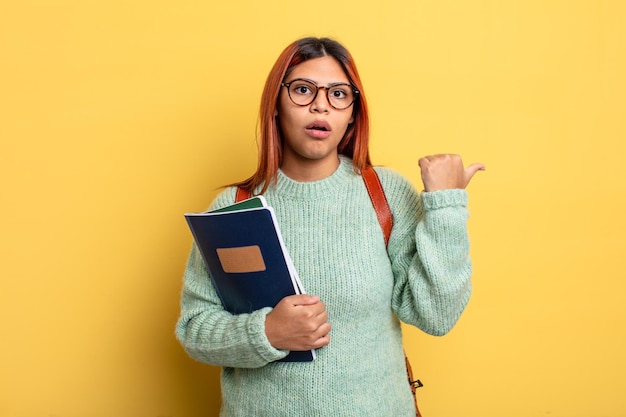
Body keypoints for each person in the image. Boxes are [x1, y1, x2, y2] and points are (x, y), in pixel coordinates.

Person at [176, 37, 484, 417]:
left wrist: (447, 206)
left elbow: (435, 316)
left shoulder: (385, 194)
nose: (321, 104)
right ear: (276, 104)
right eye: (303, 90)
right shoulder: (234, 208)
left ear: (353, 112)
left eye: (338, 94)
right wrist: (268, 332)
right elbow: (195, 329)